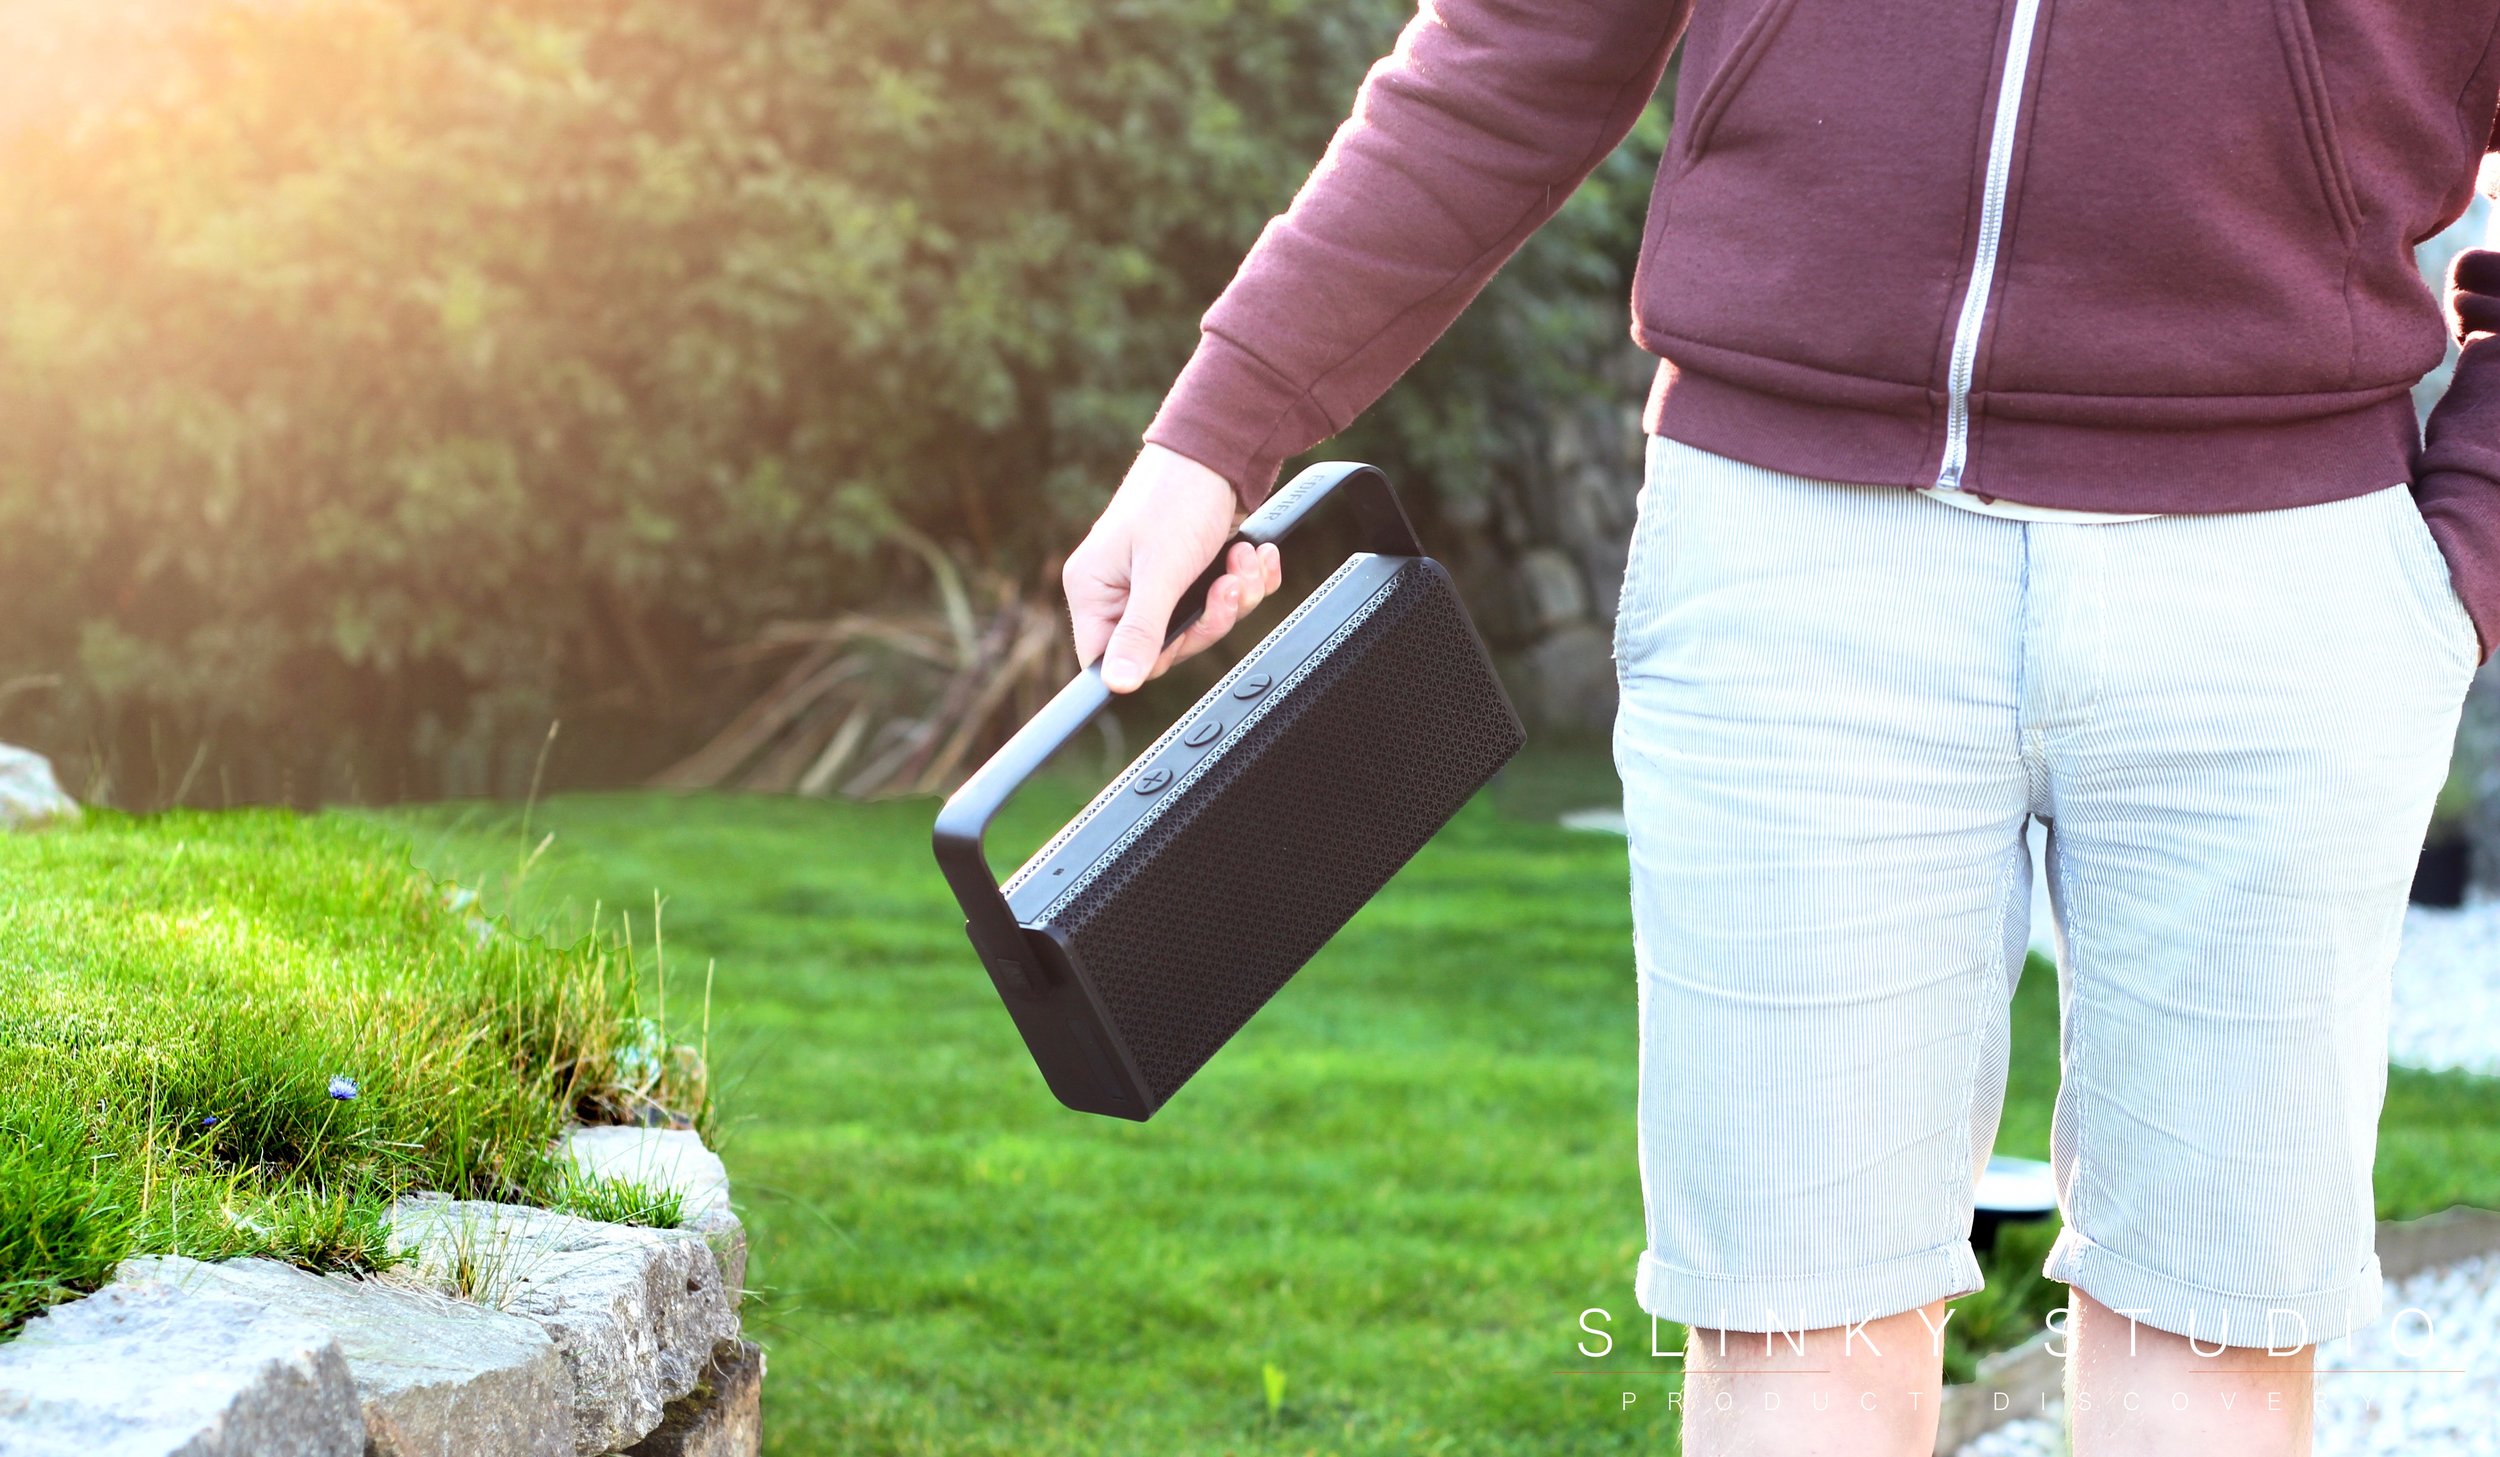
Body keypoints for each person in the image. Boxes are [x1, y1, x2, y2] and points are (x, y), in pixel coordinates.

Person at [1059, 3, 2500, 1452]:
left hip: (2278, 576)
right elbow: (1516, 52)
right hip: (1789, 555)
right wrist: (1216, 427)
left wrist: (2464, 557)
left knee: (2216, 1332)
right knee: (1789, 1338)